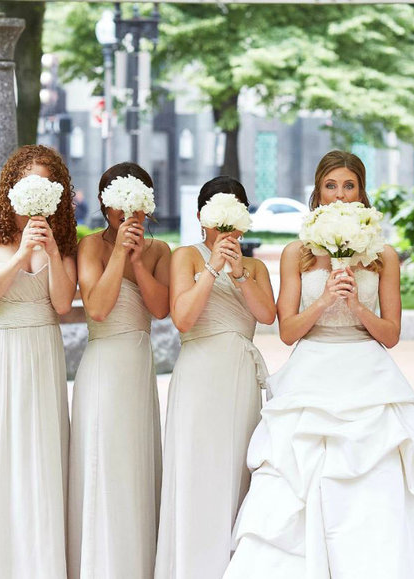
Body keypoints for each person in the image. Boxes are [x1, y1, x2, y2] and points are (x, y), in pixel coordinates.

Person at [223, 151, 414, 579]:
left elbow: (390, 334)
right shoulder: (297, 252)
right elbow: (288, 331)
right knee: (297, 480)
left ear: (361, 191)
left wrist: (356, 307)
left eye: (349, 186)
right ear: (318, 191)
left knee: (377, 483)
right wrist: (326, 299)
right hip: (311, 372)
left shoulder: (382, 254)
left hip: (368, 373)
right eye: (331, 186)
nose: (340, 194)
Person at [0, 144, 78, 578]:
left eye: (48, 184)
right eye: (30, 181)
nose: (39, 189)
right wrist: (17, 255)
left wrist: (48, 249)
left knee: (40, 459)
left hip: (42, 350)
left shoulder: (62, 236)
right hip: (1, 349)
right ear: (12, 184)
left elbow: (64, 304)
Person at [156, 176, 275, 579]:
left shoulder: (256, 266)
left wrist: (239, 273)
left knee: (237, 468)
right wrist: (212, 267)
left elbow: (267, 315)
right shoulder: (185, 256)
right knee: (195, 468)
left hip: (239, 376)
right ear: (201, 217)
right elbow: (184, 318)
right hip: (198, 375)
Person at [67, 162, 171, 579]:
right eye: (119, 206)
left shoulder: (161, 250)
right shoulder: (90, 247)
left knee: (135, 463)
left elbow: (161, 310)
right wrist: (118, 254)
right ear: (105, 205)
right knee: (104, 460)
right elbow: (97, 307)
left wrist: (139, 260)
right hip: (104, 366)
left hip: (138, 366)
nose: (127, 215)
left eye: (137, 206)